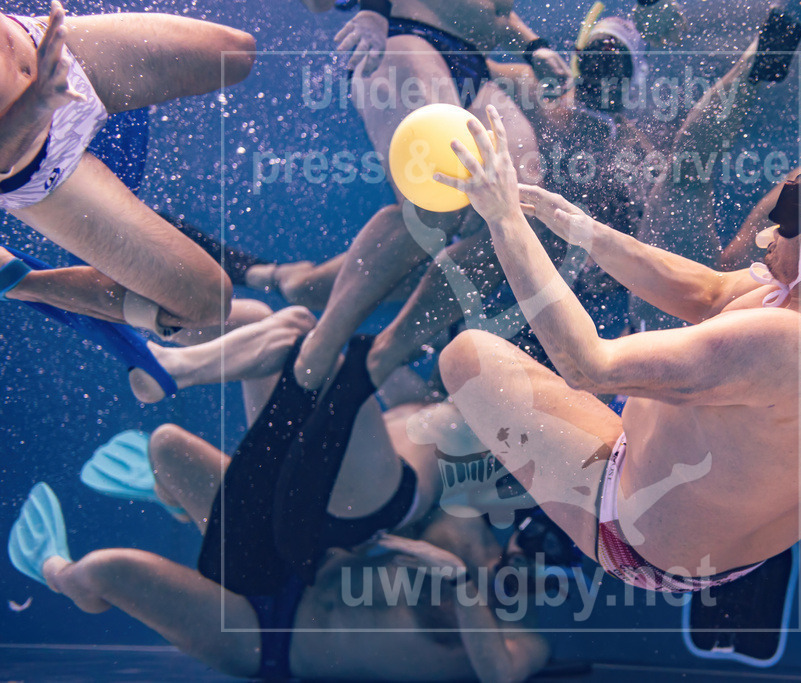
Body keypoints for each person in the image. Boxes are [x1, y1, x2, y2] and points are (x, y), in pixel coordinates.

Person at [431, 104, 801, 593]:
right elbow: (708, 295)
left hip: (638, 539)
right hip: (750, 530)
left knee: (466, 357)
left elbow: (588, 366)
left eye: (789, 217)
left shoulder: (785, 346)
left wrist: (504, 219)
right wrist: (588, 234)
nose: (770, 228)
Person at [10, 311, 552, 681]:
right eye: (530, 561)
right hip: (294, 549)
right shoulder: (471, 520)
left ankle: (53, 568)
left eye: (535, 581)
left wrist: (459, 580)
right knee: (166, 446)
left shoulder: (523, 641)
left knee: (103, 572)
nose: (523, 574)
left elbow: (498, 675)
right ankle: (176, 497)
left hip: (267, 636)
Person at [290, 0, 572, 389]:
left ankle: (383, 354)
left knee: (522, 216)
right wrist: (374, 10)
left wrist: (531, 44)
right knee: (433, 199)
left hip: (476, 66)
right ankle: (321, 345)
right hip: (411, 40)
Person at [0, 2, 255, 334]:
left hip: (45, 47)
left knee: (235, 54)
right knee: (208, 302)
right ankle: (21, 283)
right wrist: (38, 101)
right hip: (36, 166)